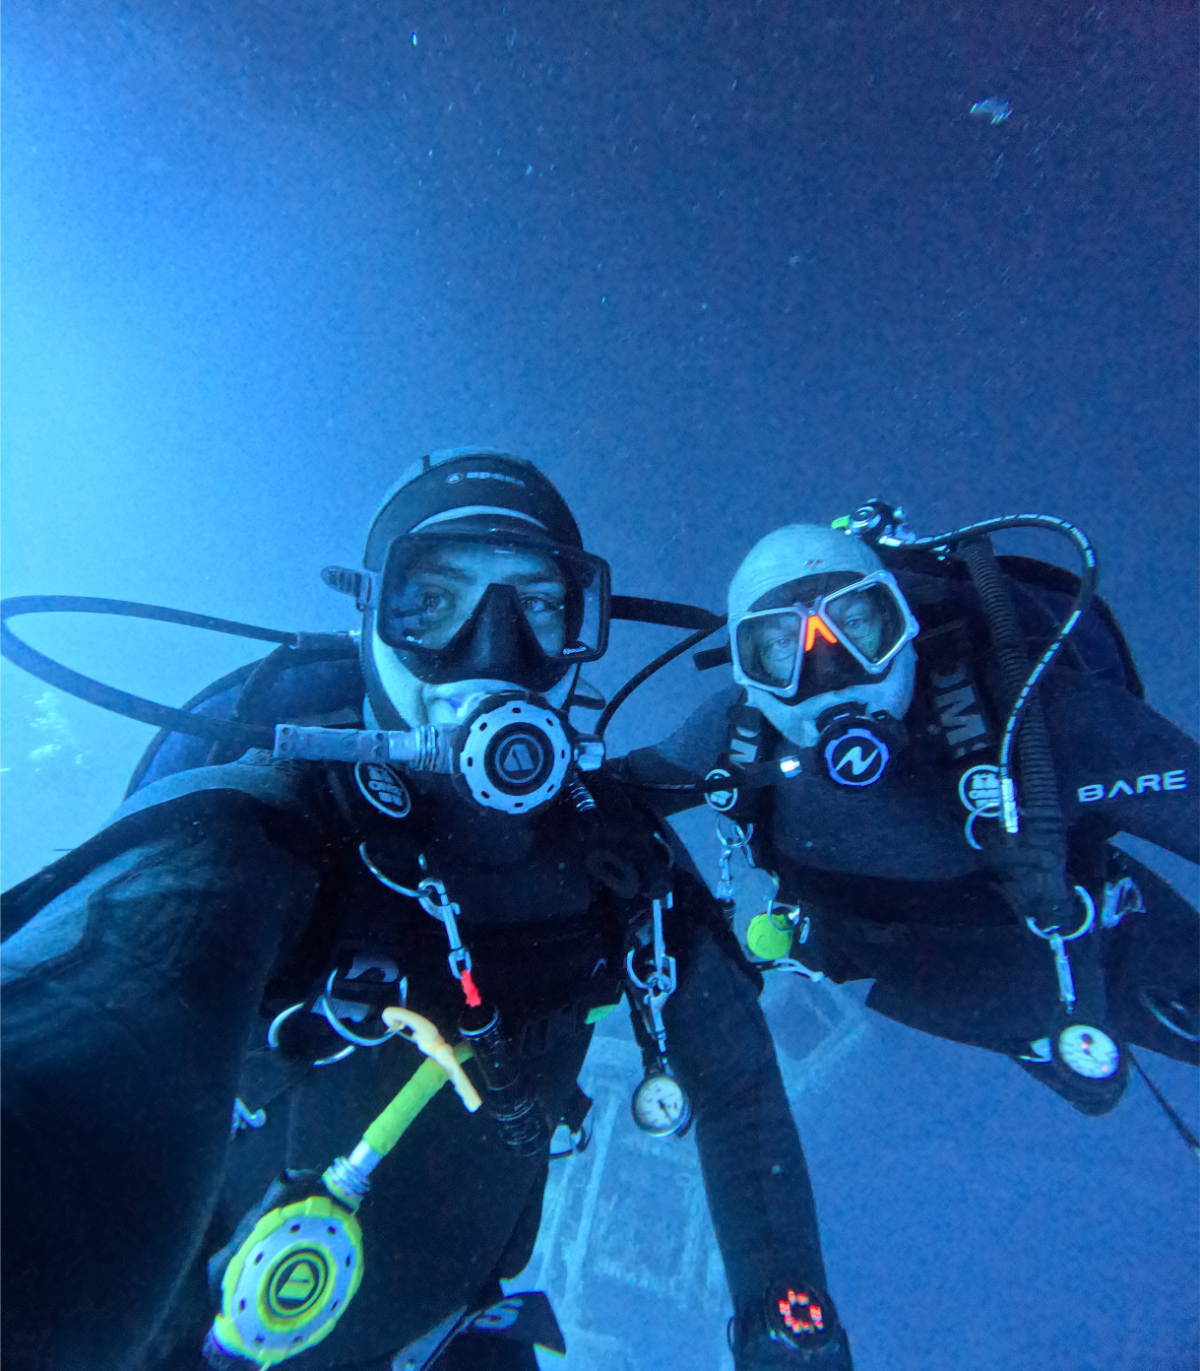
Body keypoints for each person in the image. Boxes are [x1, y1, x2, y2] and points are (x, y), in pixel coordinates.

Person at [0, 451, 854, 1371]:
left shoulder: (623, 863)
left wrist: (790, 1335)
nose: (495, 649)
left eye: (538, 603)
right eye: (434, 601)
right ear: (369, 618)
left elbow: (740, 1094)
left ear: (584, 626)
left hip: (459, 1339)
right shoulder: (264, 826)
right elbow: (101, 999)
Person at [619, 504, 1200, 1121]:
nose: (826, 663)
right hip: (944, 993)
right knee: (1086, 1086)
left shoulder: (1025, 709)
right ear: (746, 669)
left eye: (856, 624)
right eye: (782, 644)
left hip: (1105, 939)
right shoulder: (733, 735)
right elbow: (621, 790)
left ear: (904, 621)